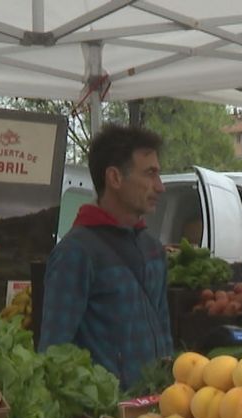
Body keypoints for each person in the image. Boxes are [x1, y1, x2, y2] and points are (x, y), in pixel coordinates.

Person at [39, 125, 172, 390]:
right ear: (114, 178)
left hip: (157, 411)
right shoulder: (76, 253)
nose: (160, 187)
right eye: (149, 174)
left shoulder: (154, 249)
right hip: (106, 417)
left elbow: (165, 336)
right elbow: (53, 355)